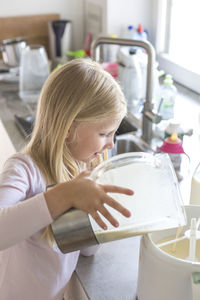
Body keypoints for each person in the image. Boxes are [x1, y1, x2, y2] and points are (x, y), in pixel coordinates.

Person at [0, 58, 134, 300]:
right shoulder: (25, 169)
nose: (111, 144)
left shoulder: (79, 170)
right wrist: (64, 195)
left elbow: (88, 252)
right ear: (69, 128)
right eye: (104, 133)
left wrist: (95, 208)